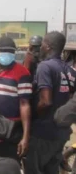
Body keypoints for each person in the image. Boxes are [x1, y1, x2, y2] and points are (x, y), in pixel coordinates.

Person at [24, 31, 76, 174]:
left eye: (41, 45)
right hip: (61, 134)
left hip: (43, 133)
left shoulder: (45, 67)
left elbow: (46, 102)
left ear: (47, 47)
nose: (39, 48)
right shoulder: (70, 70)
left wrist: (31, 116)